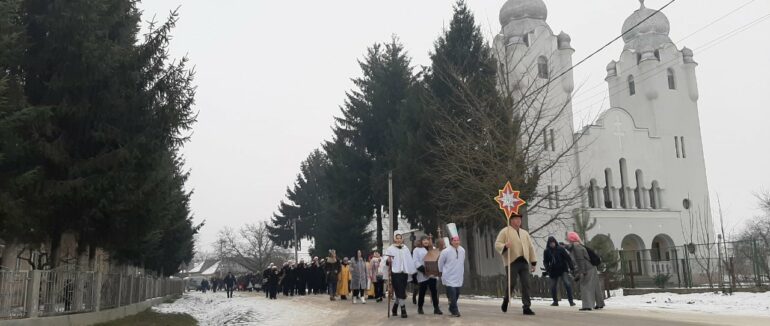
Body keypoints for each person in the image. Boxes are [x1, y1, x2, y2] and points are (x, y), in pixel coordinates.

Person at [494, 213, 538, 315]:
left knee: (526, 284)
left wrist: (533, 262)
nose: (519, 221)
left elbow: (530, 247)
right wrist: (505, 246)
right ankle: (506, 299)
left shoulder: (524, 233)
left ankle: (526, 307)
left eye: (520, 219)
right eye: (516, 219)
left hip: (524, 261)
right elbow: (497, 244)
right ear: (511, 220)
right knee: (512, 283)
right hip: (512, 261)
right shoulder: (505, 231)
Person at [567, 231, 605, 311]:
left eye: (569, 239)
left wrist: (582, 272)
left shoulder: (576, 247)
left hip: (587, 269)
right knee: (595, 286)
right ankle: (600, 304)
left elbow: (581, 260)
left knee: (585, 286)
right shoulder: (579, 245)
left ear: (571, 240)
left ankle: (587, 306)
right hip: (592, 267)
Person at [385, 231, 416, 318]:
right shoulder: (390, 248)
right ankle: (403, 309)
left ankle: (394, 308)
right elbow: (386, 260)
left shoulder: (405, 248)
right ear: (394, 238)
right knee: (400, 291)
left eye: (400, 238)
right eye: (397, 238)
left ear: (402, 239)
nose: (398, 240)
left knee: (400, 291)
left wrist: (411, 270)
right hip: (395, 273)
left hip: (404, 273)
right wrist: (388, 261)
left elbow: (409, 260)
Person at [413, 235, 442, 315]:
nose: (426, 241)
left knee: (434, 291)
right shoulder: (417, 250)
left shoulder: (432, 249)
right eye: (424, 240)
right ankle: (420, 307)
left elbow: (437, 259)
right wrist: (424, 270)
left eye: (427, 240)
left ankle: (436, 308)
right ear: (421, 241)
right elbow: (415, 261)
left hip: (432, 274)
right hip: (423, 274)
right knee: (422, 291)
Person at [543, 236, 576, 306]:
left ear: (555, 242)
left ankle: (571, 301)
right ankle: (555, 301)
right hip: (553, 270)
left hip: (563, 269)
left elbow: (568, 258)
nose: (552, 244)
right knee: (553, 286)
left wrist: (572, 268)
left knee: (567, 283)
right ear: (548, 244)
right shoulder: (547, 251)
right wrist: (547, 268)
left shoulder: (561, 249)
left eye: (553, 243)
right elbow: (545, 261)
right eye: (550, 243)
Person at [438, 235, 466, 317]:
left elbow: (461, 262)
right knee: (452, 293)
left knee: (457, 293)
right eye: (454, 240)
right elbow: (440, 262)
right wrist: (440, 271)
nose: (456, 242)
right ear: (451, 241)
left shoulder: (462, 250)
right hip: (449, 275)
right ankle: (455, 310)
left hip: (458, 275)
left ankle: (451, 306)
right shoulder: (445, 251)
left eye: (458, 240)